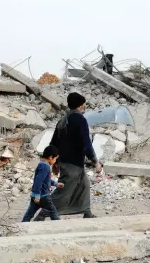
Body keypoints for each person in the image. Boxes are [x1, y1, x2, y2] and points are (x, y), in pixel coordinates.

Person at [34, 92, 102, 221]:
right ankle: (44, 212)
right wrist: (95, 161)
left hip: (67, 162)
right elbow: (86, 143)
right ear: (81, 105)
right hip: (73, 163)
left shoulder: (62, 120)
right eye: (84, 103)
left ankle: (86, 212)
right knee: (63, 191)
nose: (85, 105)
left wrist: (55, 162)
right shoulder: (80, 120)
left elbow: (54, 143)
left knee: (84, 186)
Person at [22, 145, 64, 222]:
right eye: (55, 159)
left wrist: (56, 184)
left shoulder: (42, 164)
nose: (55, 161)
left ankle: (21, 226)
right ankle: (58, 226)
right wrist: (38, 195)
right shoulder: (45, 166)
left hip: (36, 195)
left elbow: (45, 180)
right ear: (51, 157)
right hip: (43, 196)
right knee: (53, 212)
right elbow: (39, 181)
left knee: (29, 213)